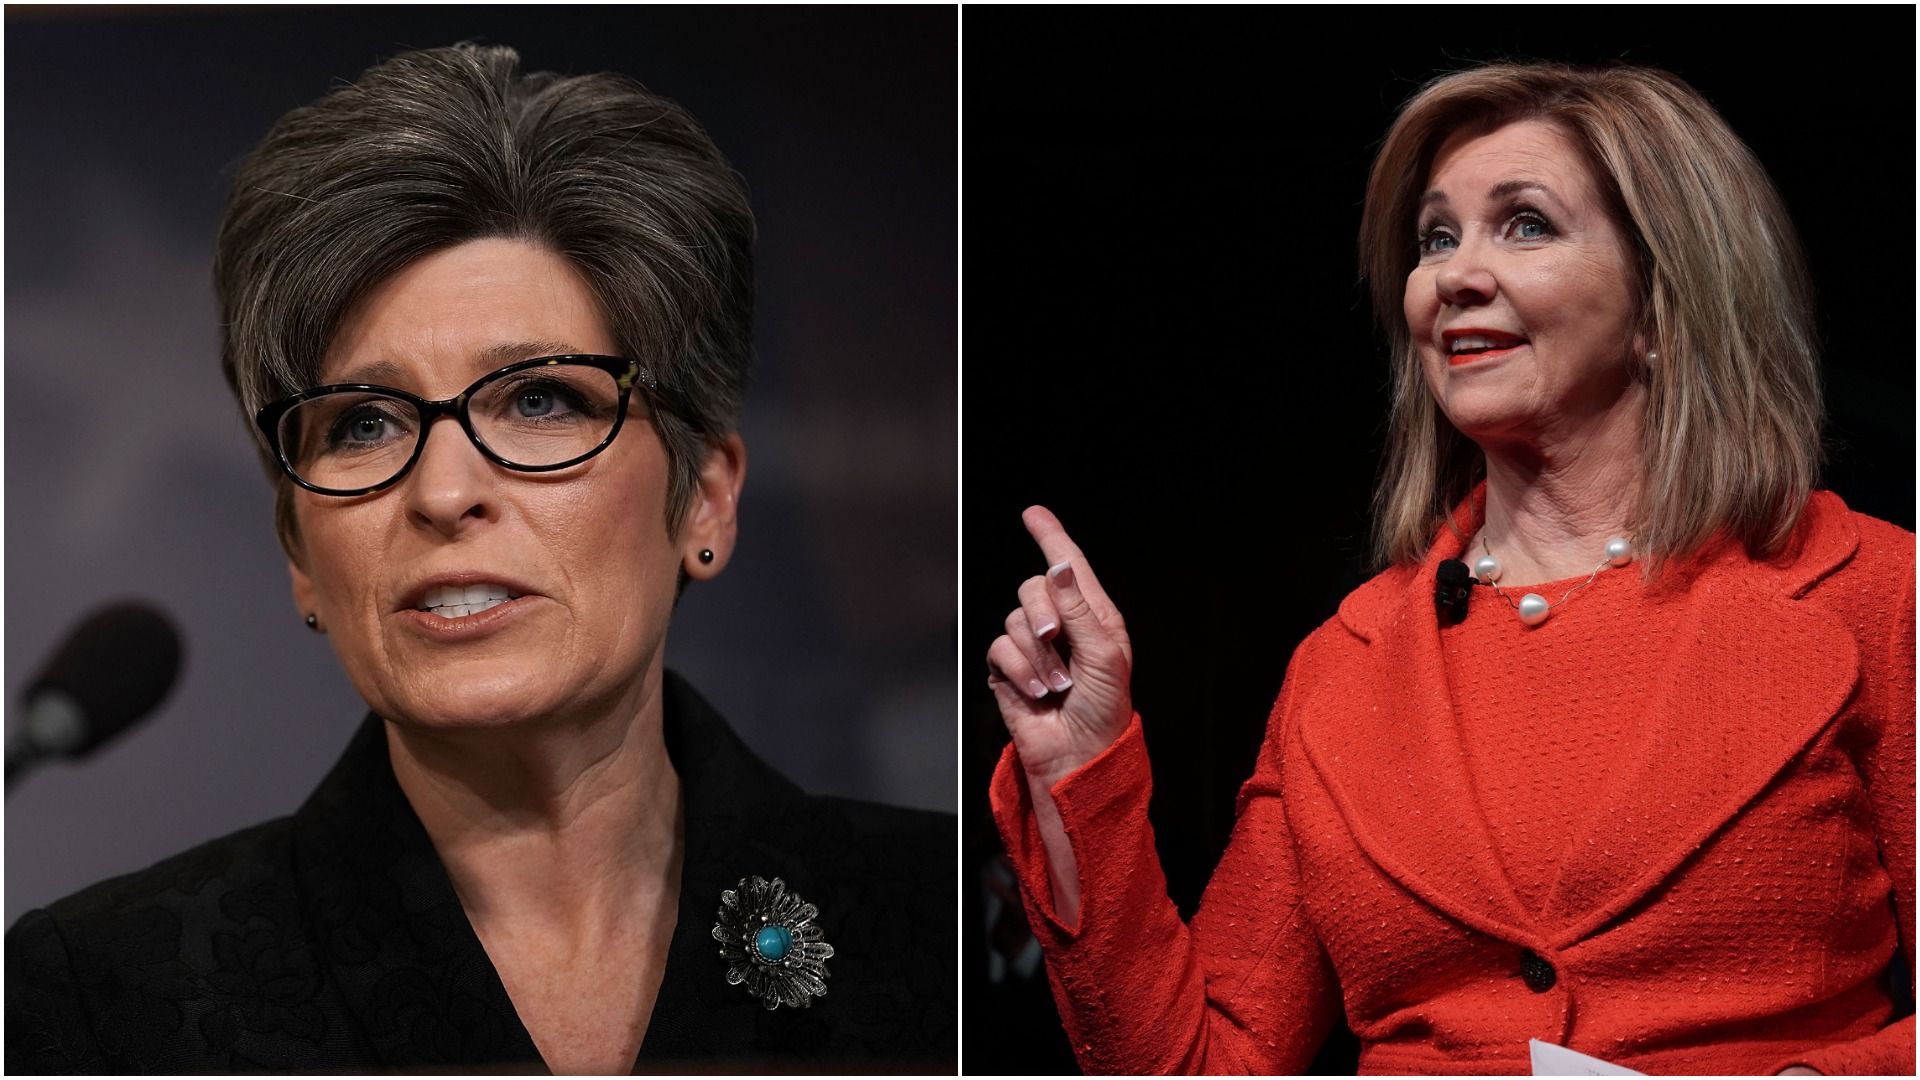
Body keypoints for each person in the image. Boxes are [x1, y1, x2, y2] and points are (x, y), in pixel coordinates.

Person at [6, 43, 953, 1074]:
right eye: (362, 423)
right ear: (300, 552)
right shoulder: (99, 1001)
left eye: (541, 400)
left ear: (706, 499)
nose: (444, 492)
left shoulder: (956, 936)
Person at [987, 61, 1913, 1076]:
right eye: (1437, 237)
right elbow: (1205, 1065)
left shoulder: (1872, 594)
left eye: (1525, 224)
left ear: (1661, 300)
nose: (1453, 276)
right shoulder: (1342, 668)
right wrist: (1080, 770)